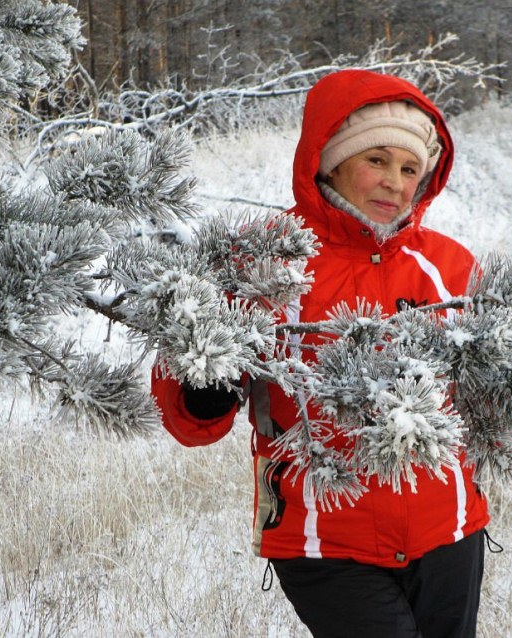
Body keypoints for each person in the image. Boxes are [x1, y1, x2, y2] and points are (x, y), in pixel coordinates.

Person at [152, 69, 487, 638]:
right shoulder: (265, 262)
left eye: (410, 169)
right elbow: (189, 422)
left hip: (450, 531)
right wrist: (203, 390)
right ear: (330, 160)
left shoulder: (449, 267)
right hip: (323, 538)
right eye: (375, 160)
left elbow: (496, 410)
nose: (396, 184)